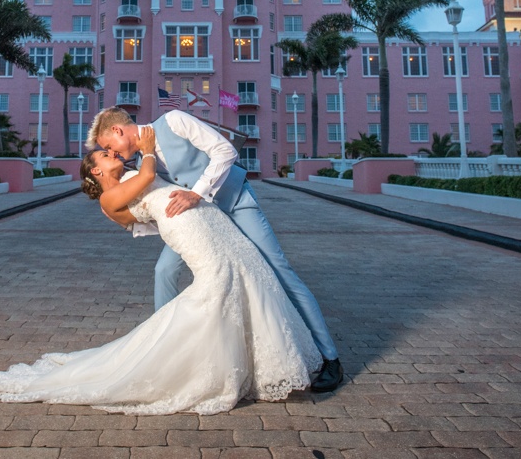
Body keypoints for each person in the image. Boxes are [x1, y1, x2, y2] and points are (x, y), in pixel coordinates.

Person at [0, 126, 321, 415]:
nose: (110, 153)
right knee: (217, 284)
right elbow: (147, 178)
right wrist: (145, 149)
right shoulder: (109, 198)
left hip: (206, 218)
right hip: (188, 229)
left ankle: (261, 362)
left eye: (109, 149)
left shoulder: (125, 178)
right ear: (95, 172)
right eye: (103, 154)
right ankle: (195, 364)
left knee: (245, 272)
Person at [89, 107, 343, 393]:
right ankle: (165, 355)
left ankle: (329, 359)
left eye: (109, 146)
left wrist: (197, 193)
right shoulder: (140, 162)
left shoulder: (173, 121)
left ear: (118, 131)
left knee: (280, 272)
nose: (114, 153)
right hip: (203, 223)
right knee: (164, 270)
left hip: (234, 202)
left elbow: (225, 150)